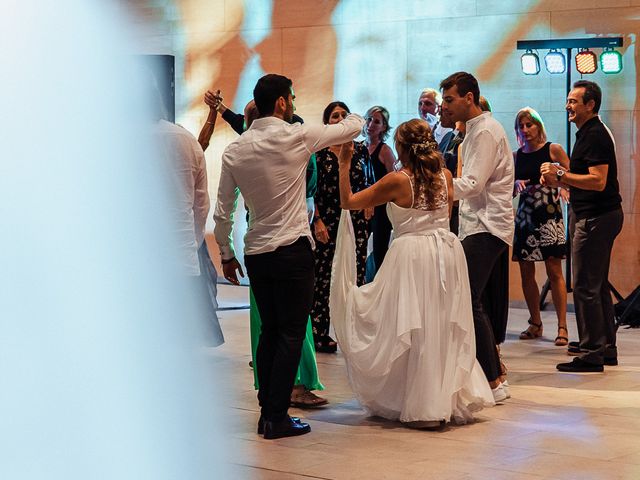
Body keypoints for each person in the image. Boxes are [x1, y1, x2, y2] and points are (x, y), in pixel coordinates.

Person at [214, 74, 364, 439]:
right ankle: (276, 416)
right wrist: (353, 116)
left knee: (270, 331)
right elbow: (353, 126)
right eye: (292, 97)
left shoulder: (235, 150)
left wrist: (226, 254)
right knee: (292, 333)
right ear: (281, 102)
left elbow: (223, 210)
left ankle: (268, 410)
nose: (294, 103)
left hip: (257, 252)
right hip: (293, 250)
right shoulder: (298, 136)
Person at [330, 119, 494, 428]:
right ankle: (444, 397)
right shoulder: (445, 175)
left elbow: (348, 202)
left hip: (412, 254)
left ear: (401, 148)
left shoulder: (397, 180)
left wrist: (344, 164)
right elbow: (444, 217)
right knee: (440, 325)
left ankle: (424, 406)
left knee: (412, 326)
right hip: (447, 252)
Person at [202, 90, 327, 407]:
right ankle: (290, 388)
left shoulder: (244, 149)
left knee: (273, 325)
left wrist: (226, 253)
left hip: (257, 244)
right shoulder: (292, 140)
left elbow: (223, 210)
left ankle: (272, 391)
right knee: (290, 325)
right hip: (288, 244)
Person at [439, 72, 514, 401]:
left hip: (488, 225)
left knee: (467, 299)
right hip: (477, 224)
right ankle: (490, 374)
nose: (445, 106)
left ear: (469, 98)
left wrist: (429, 188)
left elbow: (472, 184)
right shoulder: (473, 131)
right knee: (469, 299)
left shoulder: (485, 131)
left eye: (450, 99)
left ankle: (495, 380)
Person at [541, 80, 623, 373]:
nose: (568, 106)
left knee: (586, 286)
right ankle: (604, 346)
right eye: (568, 101)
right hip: (597, 214)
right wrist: (559, 178)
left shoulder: (596, 134)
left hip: (596, 217)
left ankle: (591, 352)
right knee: (596, 285)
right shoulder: (589, 132)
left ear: (591, 105)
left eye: (574, 102)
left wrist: (560, 174)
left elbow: (598, 181)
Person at [311, 101, 373, 353]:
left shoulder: (360, 150)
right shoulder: (318, 152)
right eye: (334, 116)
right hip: (327, 218)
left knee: (355, 274)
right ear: (327, 123)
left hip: (355, 219)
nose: (339, 119)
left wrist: (370, 203)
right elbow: (310, 191)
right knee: (324, 276)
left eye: (343, 115)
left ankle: (353, 332)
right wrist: (316, 220)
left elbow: (369, 180)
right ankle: (320, 331)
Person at [512, 107, 569, 346]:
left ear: (538, 125)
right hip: (526, 214)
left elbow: (569, 172)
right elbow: (509, 185)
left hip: (548, 213)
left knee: (554, 269)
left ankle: (563, 327)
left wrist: (563, 186)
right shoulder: (517, 155)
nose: (526, 130)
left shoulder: (552, 149)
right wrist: (515, 183)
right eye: (521, 127)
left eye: (529, 125)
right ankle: (535, 322)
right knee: (526, 271)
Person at [364, 106, 396, 277]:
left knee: (379, 251)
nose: (371, 124)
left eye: (376, 121)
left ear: (384, 127)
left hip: (381, 210)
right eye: (369, 119)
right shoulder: (359, 148)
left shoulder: (385, 150)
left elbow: (394, 181)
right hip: (362, 206)